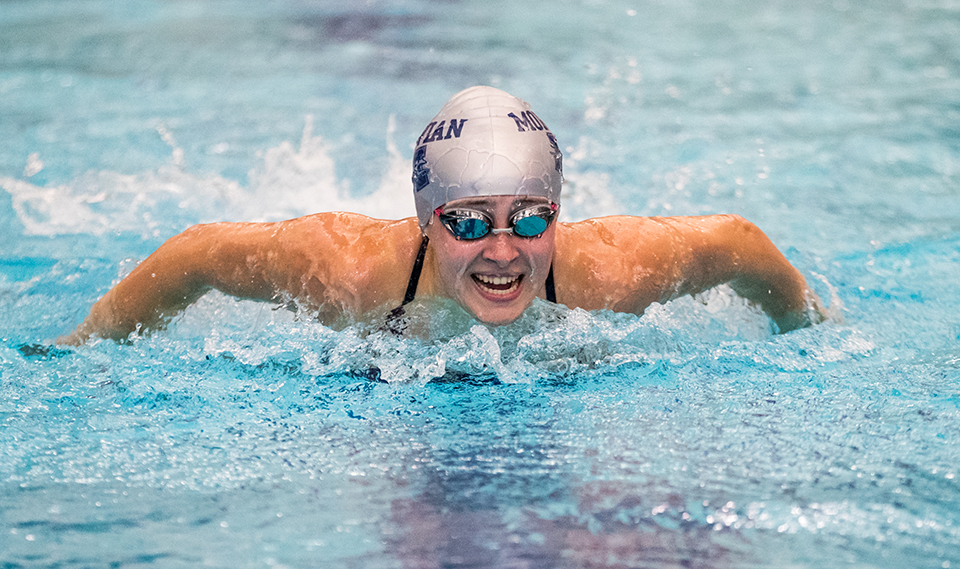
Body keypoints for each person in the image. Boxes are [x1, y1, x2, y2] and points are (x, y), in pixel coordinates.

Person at [57, 86, 823, 345]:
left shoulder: (610, 272)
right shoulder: (351, 271)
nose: (503, 251)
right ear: (426, 221)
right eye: (467, 222)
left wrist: (813, 333)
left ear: (559, 213)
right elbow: (197, 254)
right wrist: (84, 348)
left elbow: (737, 244)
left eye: (528, 219)